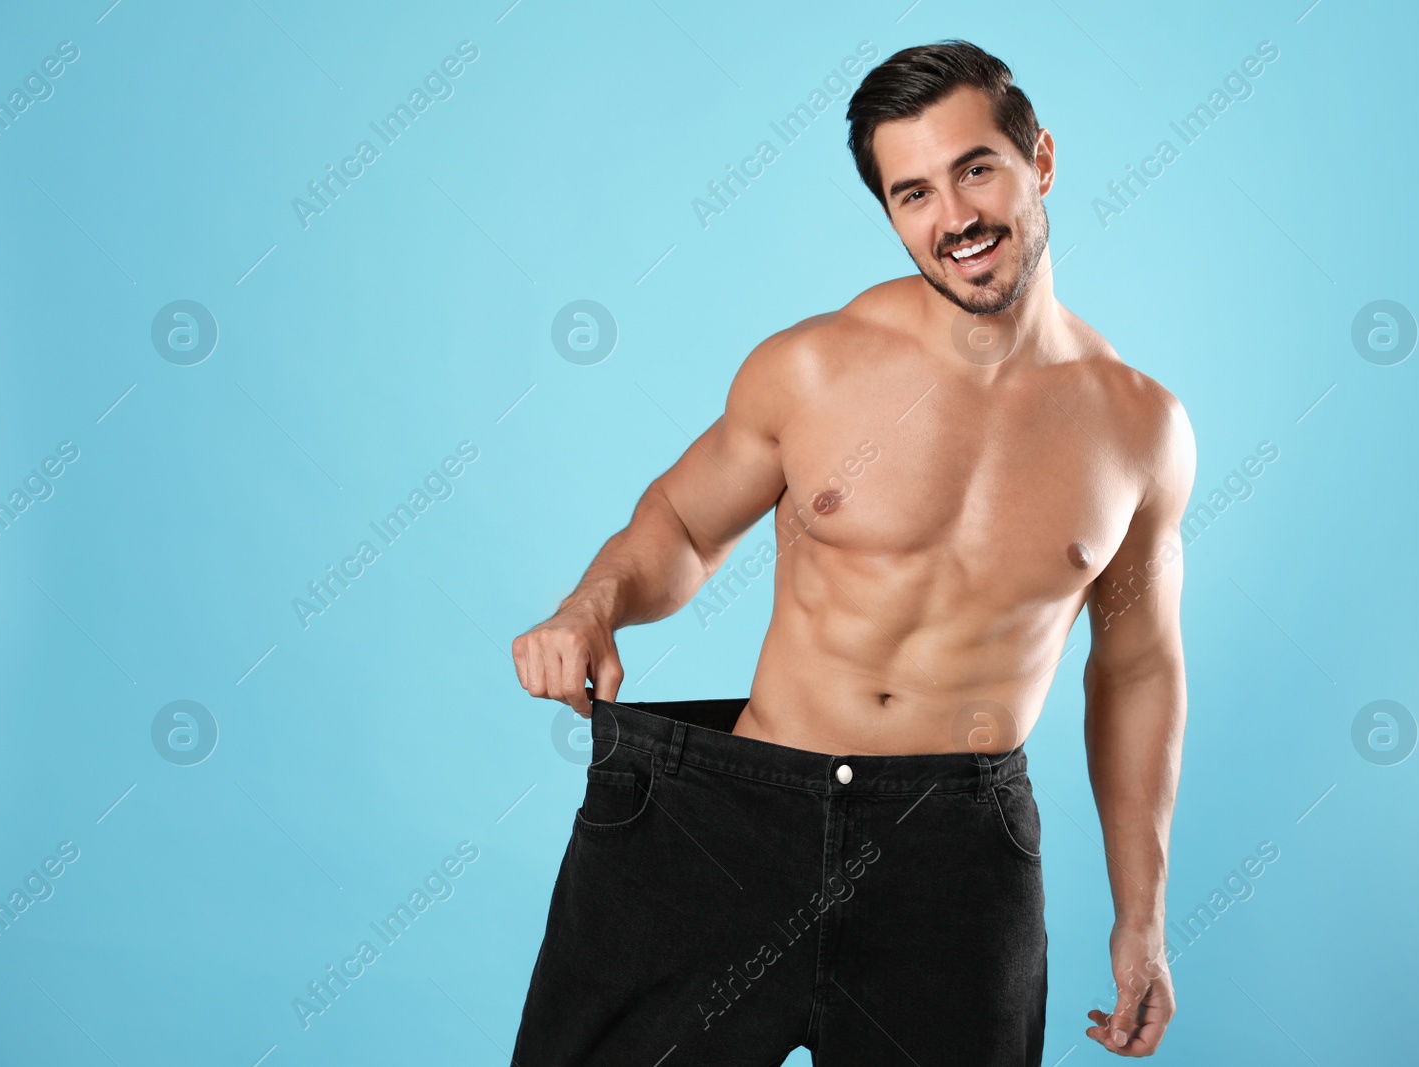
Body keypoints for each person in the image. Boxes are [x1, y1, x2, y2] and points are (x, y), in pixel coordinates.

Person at [509, 38, 1194, 1065]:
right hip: (734, 823)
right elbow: (683, 527)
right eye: (911, 191)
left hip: (954, 854)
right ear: (888, 211)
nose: (953, 218)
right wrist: (588, 604)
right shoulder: (814, 367)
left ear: (1038, 160)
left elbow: (1138, 667)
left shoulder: (1138, 427)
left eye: (975, 169)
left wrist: (1140, 917)